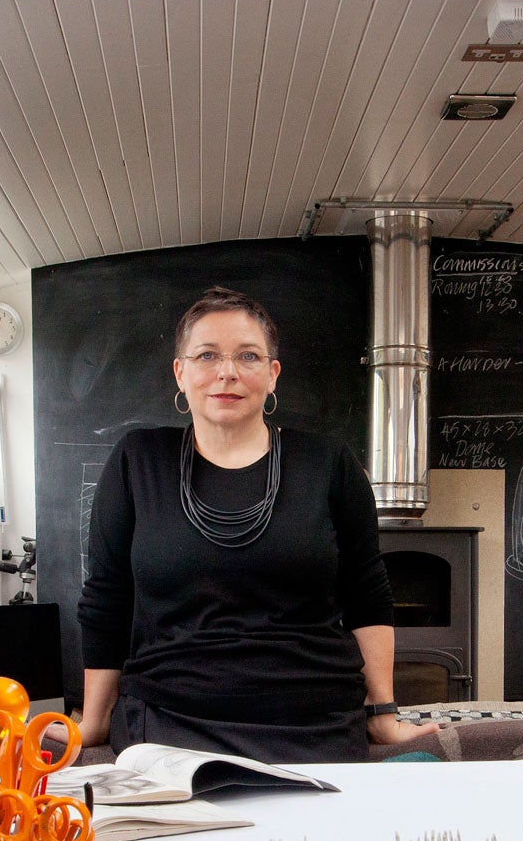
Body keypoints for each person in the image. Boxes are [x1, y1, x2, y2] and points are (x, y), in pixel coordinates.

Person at [75, 286, 438, 763]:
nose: (227, 372)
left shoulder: (328, 463)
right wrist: (93, 723)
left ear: (272, 375)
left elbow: (367, 593)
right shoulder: (138, 459)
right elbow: (107, 596)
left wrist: (383, 714)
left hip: (314, 721)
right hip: (169, 719)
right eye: (207, 355)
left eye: (247, 356)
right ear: (180, 373)